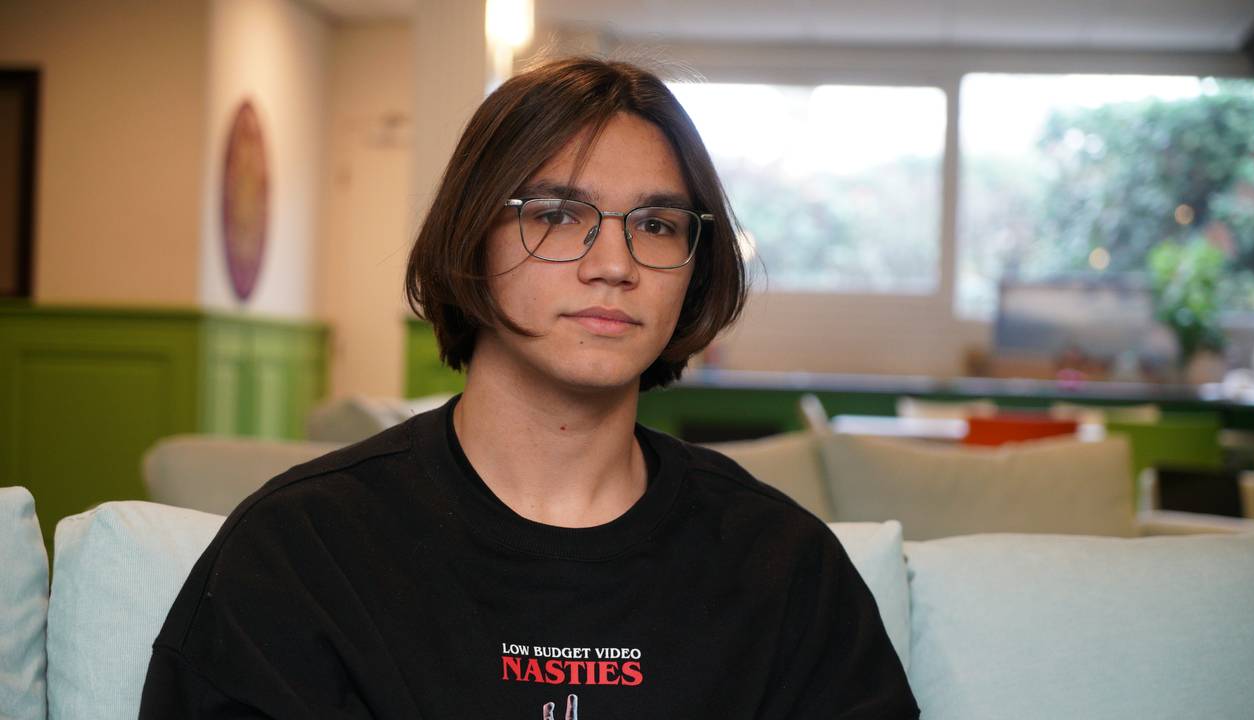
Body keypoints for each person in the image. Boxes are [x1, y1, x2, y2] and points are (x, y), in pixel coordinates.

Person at [138, 56, 919, 719]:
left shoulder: (783, 566)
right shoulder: (299, 550)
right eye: (556, 214)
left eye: (657, 225)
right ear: (470, 232)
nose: (613, 264)